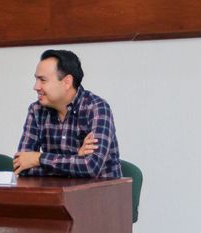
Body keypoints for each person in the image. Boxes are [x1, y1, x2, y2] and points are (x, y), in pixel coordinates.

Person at [14, 49, 121, 178]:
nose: (36, 87)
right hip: (59, 195)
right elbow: (21, 166)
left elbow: (90, 167)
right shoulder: (36, 110)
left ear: (67, 82)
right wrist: (76, 159)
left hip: (101, 195)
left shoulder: (97, 108)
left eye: (42, 80)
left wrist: (38, 159)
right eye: (36, 79)